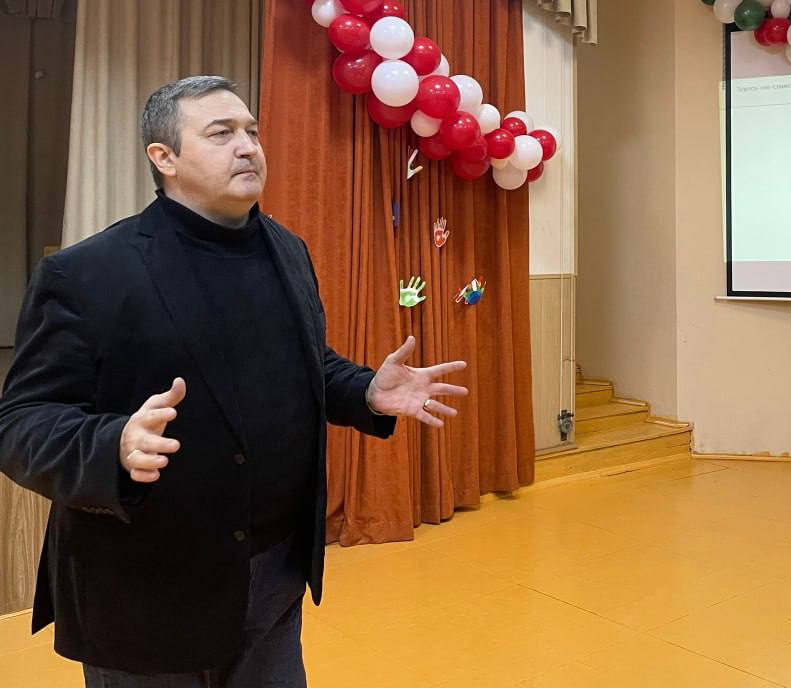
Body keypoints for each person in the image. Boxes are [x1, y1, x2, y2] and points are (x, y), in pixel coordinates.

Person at [0, 75, 467, 687]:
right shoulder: (86, 273)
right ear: (164, 158)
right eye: (220, 134)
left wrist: (363, 391)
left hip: (274, 574)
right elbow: (22, 423)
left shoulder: (288, 249)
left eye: (252, 131)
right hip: (145, 589)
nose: (247, 146)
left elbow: (304, 364)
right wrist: (111, 444)